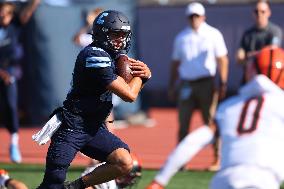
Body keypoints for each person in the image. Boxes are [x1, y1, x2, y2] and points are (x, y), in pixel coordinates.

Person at [36, 10, 151, 189]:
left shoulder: (113, 56)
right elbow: (129, 95)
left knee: (124, 162)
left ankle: (74, 187)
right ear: (101, 33)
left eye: (123, 35)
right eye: (116, 34)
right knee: (53, 183)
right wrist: (143, 76)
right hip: (72, 126)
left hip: (94, 127)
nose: (120, 39)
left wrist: (139, 79)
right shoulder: (94, 55)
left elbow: (129, 92)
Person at [146, 46, 284, 189]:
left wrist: (159, 181)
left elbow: (193, 141)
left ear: (251, 71)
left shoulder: (229, 107)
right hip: (262, 181)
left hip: (224, 181)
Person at [168, 2, 229, 143]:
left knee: (210, 121)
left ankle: (217, 157)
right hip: (186, 84)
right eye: (191, 16)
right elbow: (175, 63)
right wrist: (171, 85)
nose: (194, 19)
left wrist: (223, 83)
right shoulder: (181, 38)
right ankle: (182, 161)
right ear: (187, 18)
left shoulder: (213, 34)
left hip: (206, 83)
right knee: (183, 122)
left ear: (203, 17)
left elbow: (222, 60)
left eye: (197, 16)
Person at [0, 0, 41, 163]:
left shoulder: (15, 25)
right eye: (2, 11)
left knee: (11, 106)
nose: (4, 14)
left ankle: (14, 144)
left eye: (7, 12)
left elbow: (27, 12)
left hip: (9, 72)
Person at [236, 0, 282, 68]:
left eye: (263, 12)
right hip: (250, 74)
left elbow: (272, 51)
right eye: (256, 12)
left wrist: (251, 55)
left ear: (268, 13)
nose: (259, 14)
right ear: (253, 13)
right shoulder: (247, 34)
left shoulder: (275, 31)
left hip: (268, 74)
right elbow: (240, 57)